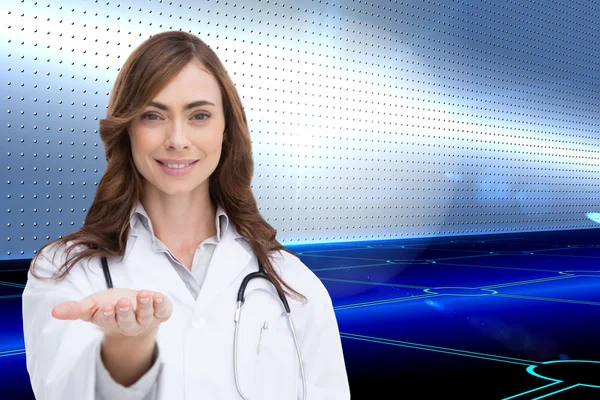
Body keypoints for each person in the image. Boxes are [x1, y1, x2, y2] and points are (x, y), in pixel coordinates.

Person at [21, 31, 350, 400]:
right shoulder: (64, 273)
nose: (177, 139)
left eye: (199, 115)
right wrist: (127, 348)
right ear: (127, 128)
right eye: (152, 115)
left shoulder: (292, 281)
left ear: (226, 129)